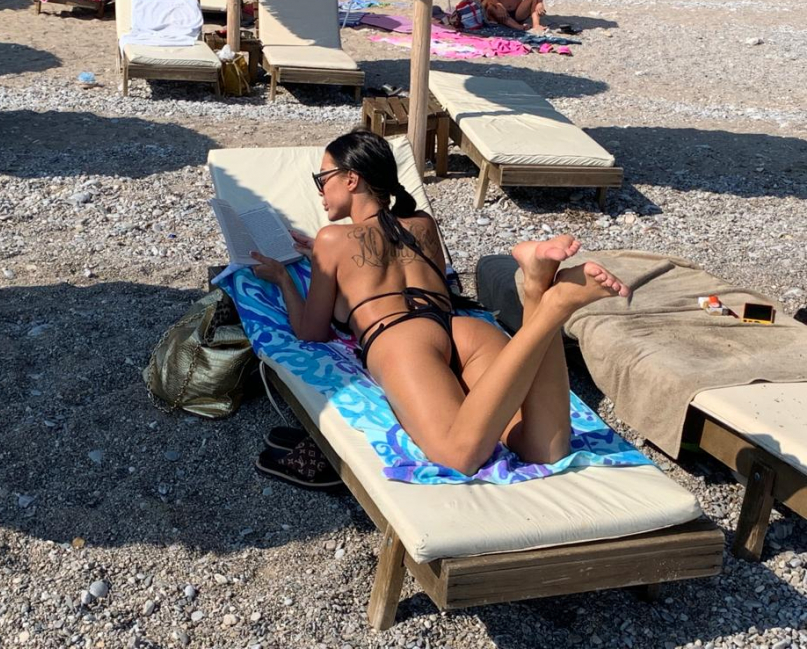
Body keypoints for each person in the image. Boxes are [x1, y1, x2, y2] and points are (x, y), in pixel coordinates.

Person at [250, 130, 629, 476]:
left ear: (351, 179)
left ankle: (552, 309)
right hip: (462, 330)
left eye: (323, 179)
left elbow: (311, 332)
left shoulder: (332, 239)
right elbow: (394, 258)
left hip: (400, 339)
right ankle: (536, 291)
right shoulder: (421, 223)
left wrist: (284, 279)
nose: (320, 191)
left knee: (457, 454)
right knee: (543, 448)